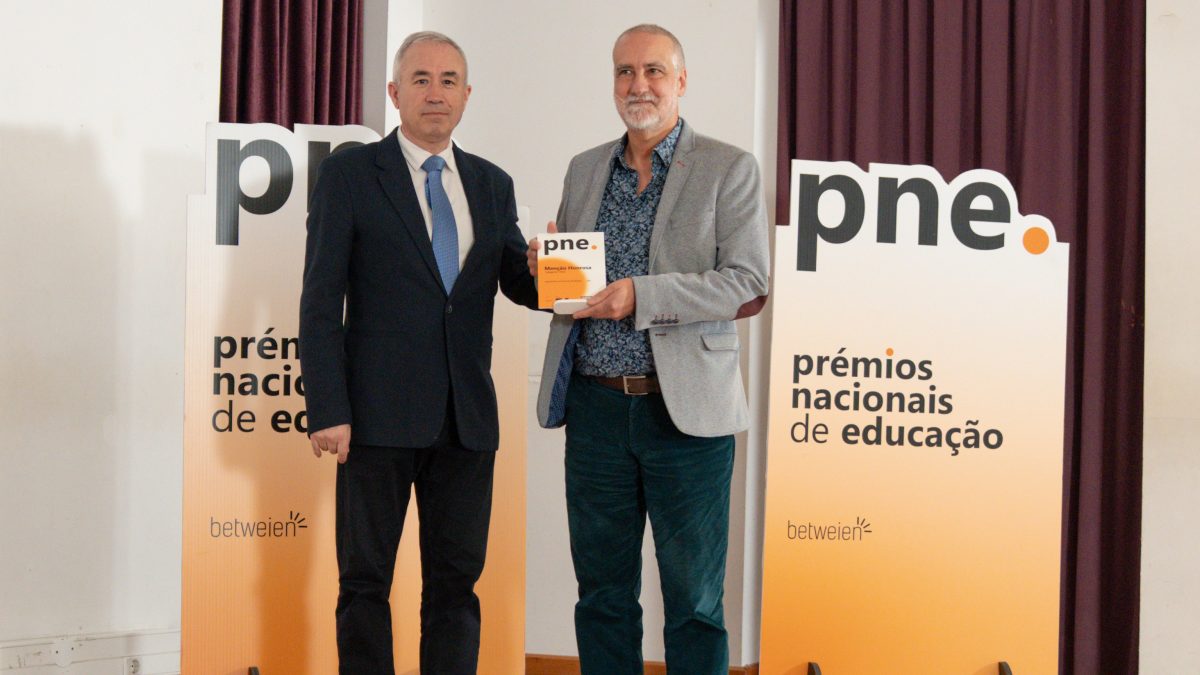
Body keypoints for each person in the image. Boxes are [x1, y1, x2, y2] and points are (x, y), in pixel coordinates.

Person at [527, 23, 770, 675]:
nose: (638, 85)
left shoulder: (728, 168)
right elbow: (574, 290)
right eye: (624, 71)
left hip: (685, 416)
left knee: (694, 603)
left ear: (681, 81)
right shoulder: (585, 169)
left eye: (654, 70)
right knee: (602, 596)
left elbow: (748, 282)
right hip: (596, 411)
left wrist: (643, 295)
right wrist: (547, 270)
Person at [299, 31, 537, 675]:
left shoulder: (492, 184)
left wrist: (557, 269)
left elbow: (519, 282)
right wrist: (327, 407)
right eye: (422, 79)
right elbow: (319, 301)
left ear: (467, 94)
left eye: (449, 80)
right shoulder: (350, 176)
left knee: (456, 589)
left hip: (465, 421)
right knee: (364, 584)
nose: (436, 93)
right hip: (372, 419)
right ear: (394, 92)